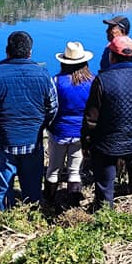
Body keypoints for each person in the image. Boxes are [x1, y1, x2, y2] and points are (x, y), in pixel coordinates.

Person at [0, 31, 58, 212]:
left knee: (1, 188)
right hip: (32, 142)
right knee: (32, 187)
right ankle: (31, 217)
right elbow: (53, 107)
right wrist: (41, 127)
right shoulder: (43, 74)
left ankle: (3, 221)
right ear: (30, 52)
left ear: (7, 51)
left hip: (1, 142)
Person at [82, 36, 132, 209]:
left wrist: (86, 143)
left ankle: (105, 217)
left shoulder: (102, 80)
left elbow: (91, 119)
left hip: (107, 146)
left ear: (111, 56)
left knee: (105, 187)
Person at [46, 41, 94, 205]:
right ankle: (73, 205)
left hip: (59, 131)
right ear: (85, 62)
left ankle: (50, 202)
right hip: (80, 133)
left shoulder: (56, 81)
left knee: (53, 170)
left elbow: (49, 107)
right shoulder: (93, 82)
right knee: (75, 171)